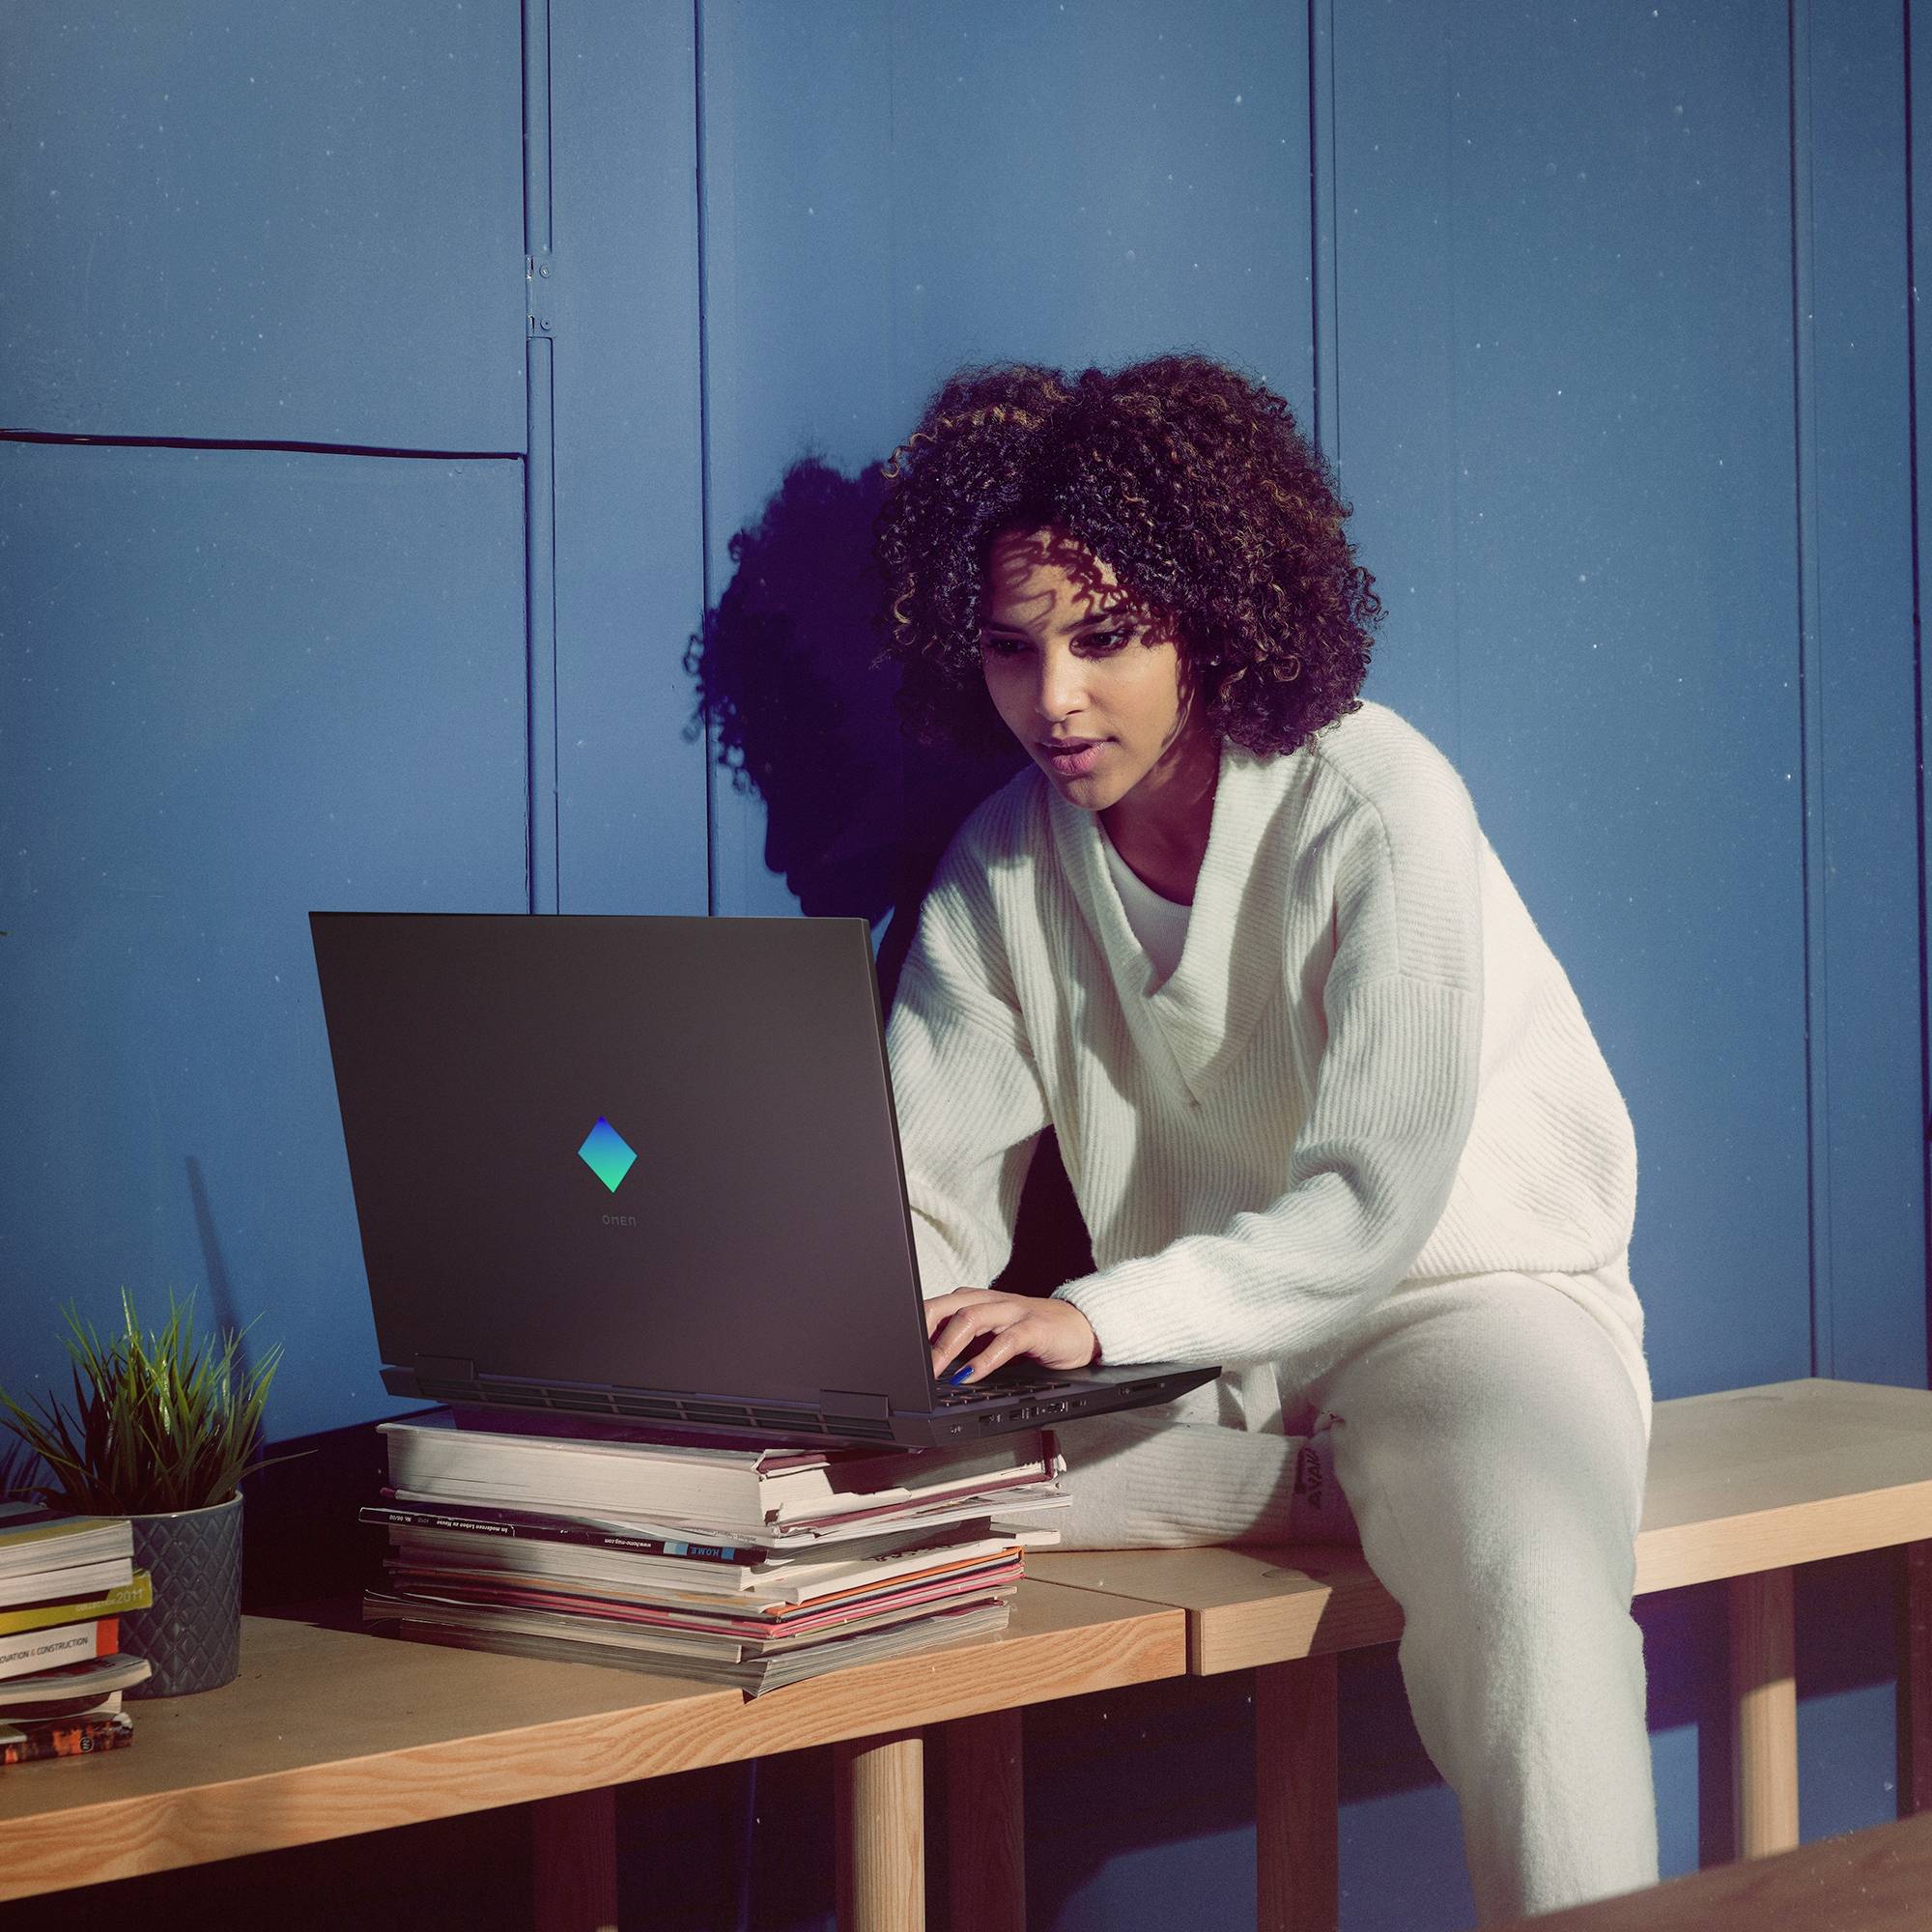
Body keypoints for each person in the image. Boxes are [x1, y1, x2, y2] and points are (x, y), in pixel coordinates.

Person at [868, 354, 1658, 1923]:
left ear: (1212, 617)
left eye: (1106, 638)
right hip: (1205, 1374)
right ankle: (1322, 1483)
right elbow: (916, 1200)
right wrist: (868, 1342)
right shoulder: (1001, 866)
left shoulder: (1379, 799)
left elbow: (1372, 1207)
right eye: (1014, 648)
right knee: (864, 1509)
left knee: (1529, 1583)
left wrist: (1090, 1318)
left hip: (1464, 1312)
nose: (1054, 698)